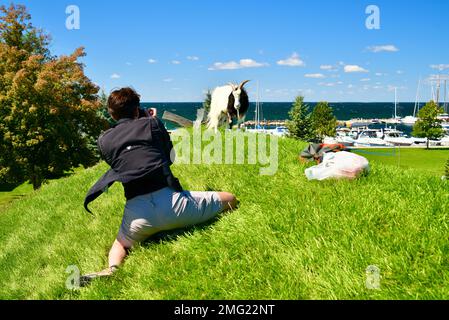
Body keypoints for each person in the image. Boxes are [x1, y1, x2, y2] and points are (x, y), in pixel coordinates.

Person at [81, 87, 238, 285]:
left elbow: (123, 161)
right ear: (137, 109)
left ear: (112, 113)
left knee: (120, 245)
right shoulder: (152, 123)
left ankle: (112, 269)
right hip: (174, 204)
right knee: (230, 199)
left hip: (137, 215)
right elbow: (169, 156)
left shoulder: (104, 141)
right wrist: (151, 121)